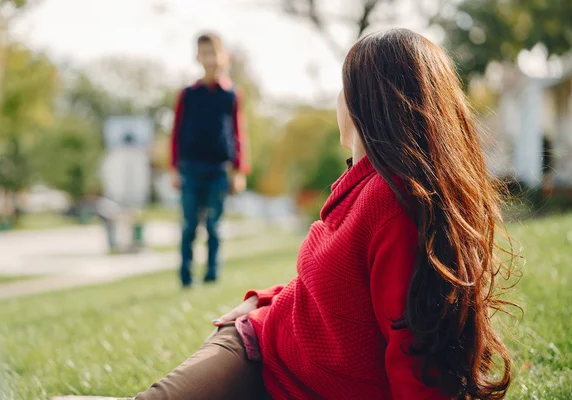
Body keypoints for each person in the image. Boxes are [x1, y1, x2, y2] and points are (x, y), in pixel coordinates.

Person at [129, 29, 515, 400]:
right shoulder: (362, 184)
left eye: (342, 88)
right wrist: (265, 298)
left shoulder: (390, 201)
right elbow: (336, 288)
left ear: (366, 101)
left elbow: (415, 348)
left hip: (287, 379)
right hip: (257, 353)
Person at [170, 32, 249, 287]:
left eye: (214, 53)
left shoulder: (231, 94)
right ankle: (186, 276)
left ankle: (212, 274)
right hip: (191, 168)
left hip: (218, 169)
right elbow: (176, 132)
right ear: (197, 57)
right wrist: (173, 168)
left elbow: (239, 132)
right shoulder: (188, 95)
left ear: (223, 56)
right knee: (189, 226)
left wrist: (239, 171)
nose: (210, 58)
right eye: (205, 53)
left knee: (214, 226)